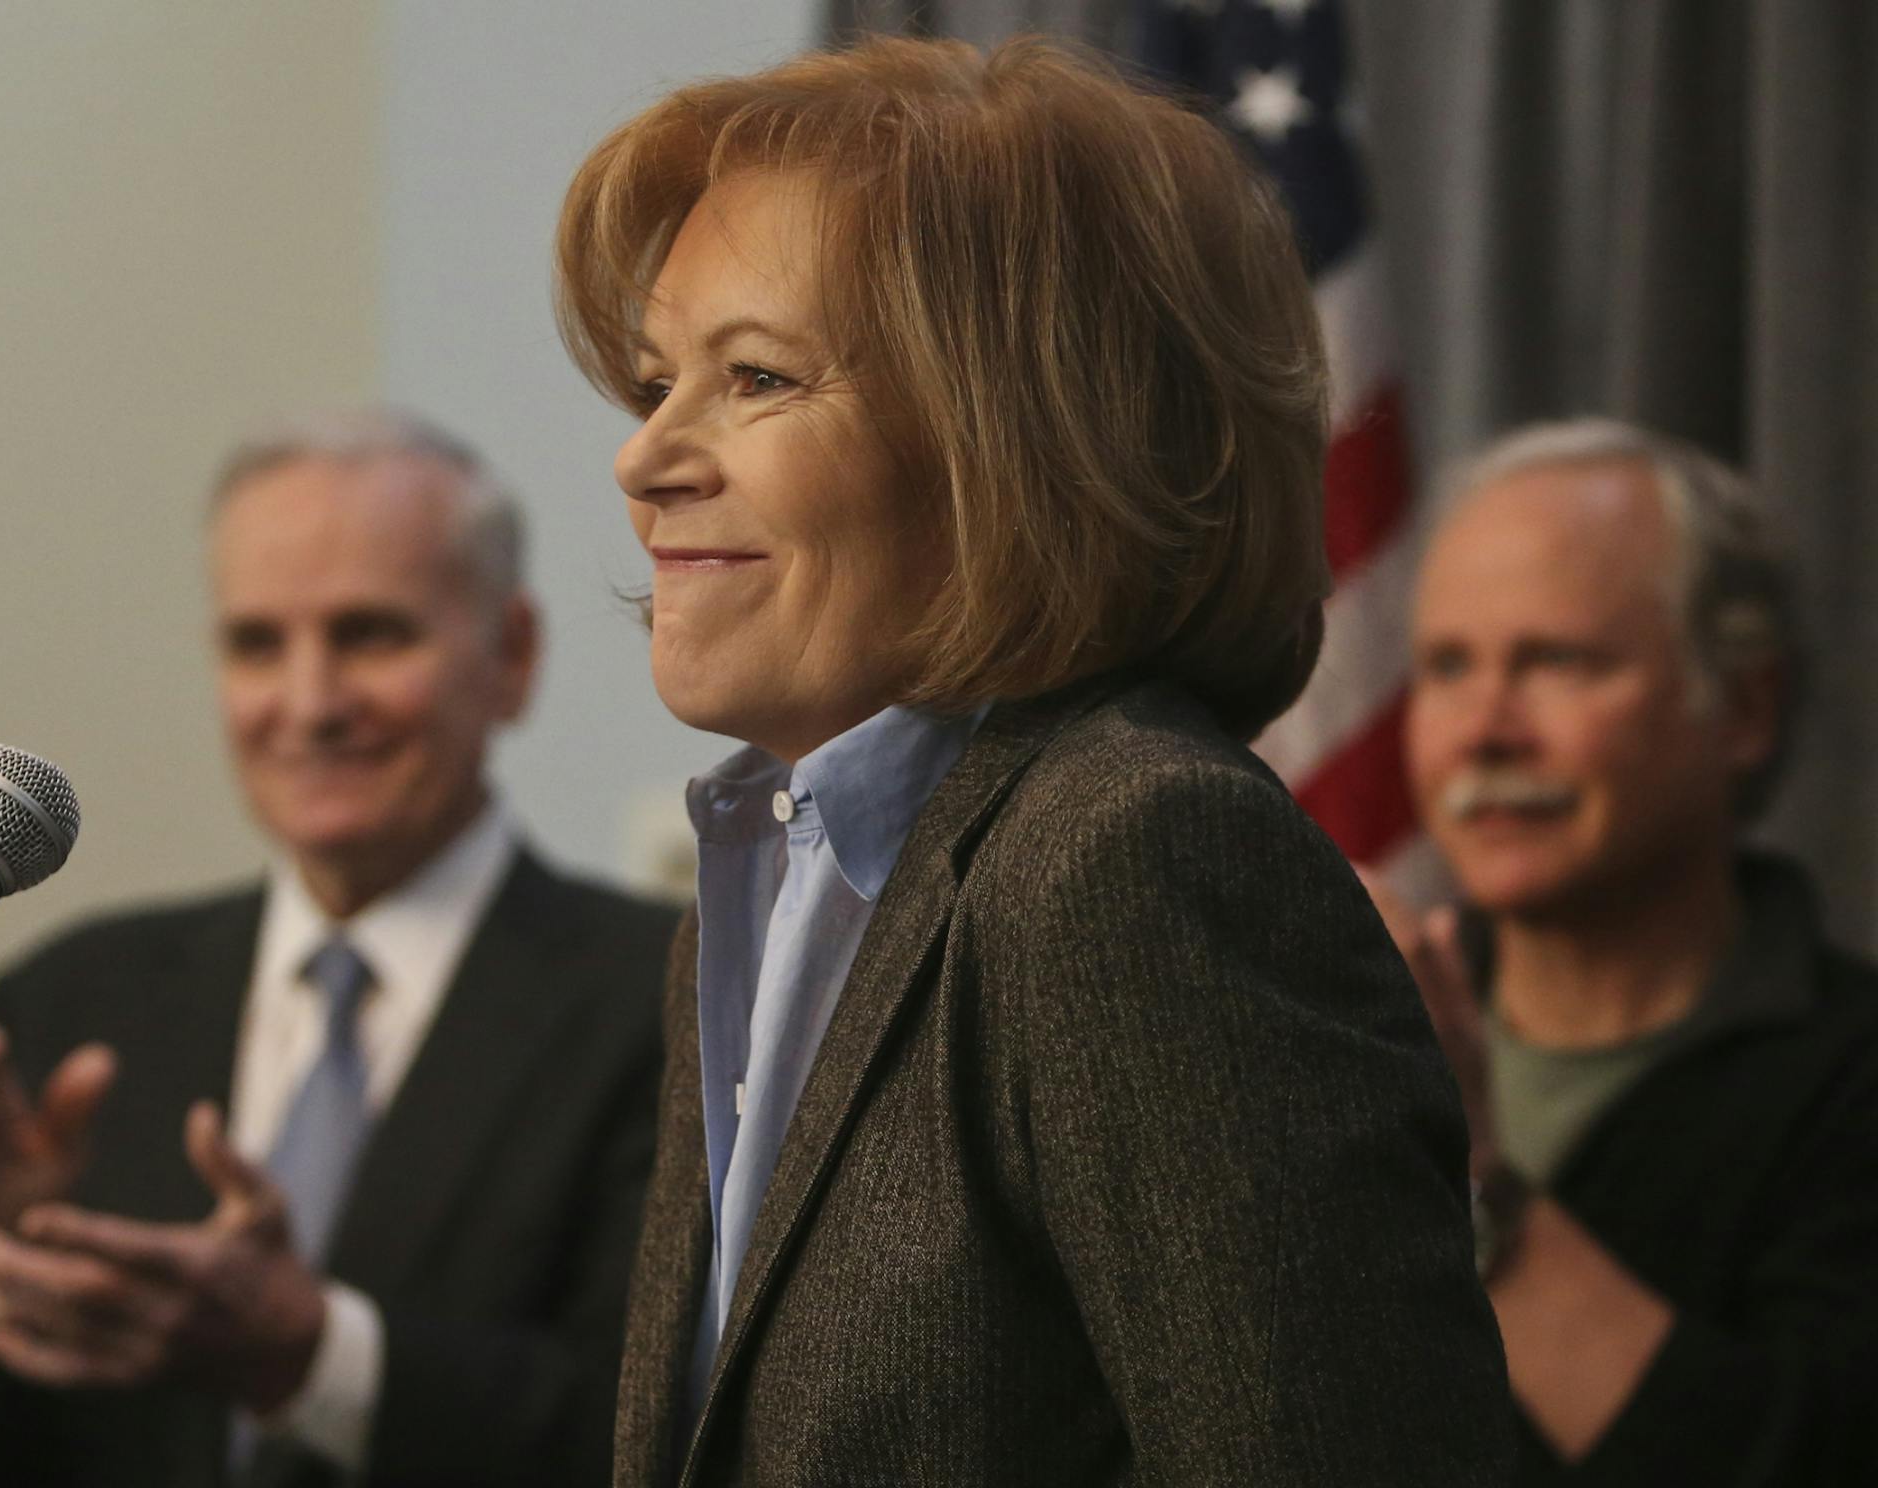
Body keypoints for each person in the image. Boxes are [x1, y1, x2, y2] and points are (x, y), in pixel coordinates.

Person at [551, 35, 1512, 1487]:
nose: (646, 459)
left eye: (754, 378)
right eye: (652, 383)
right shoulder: (757, 890)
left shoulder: (1137, 859)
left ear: (1017, 432)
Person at [0, 410, 678, 1488]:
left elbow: (671, 1437)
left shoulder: (669, 998)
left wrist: (311, 1357)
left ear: (510, 657)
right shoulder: (78, 993)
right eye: (257, 645)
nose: (310, 704)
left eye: (371, 634)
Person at [1376, 416, 1878, 1483]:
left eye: (1556, 660)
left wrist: (1475, 1188)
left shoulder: (1851, 1077)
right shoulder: (1354, 1021)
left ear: (1741, 706)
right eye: (1448, 666)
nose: (1482, 730)